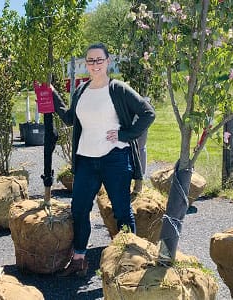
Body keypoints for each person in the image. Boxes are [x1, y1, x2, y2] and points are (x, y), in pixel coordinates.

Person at [52, 43, 155, 277]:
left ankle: (129, 261)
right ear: (85, 64)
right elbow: (70, 119)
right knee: (79, 209)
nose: (95, 64)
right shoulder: (81, 90)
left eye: (99, 60)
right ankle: (79, 259)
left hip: (114, 159)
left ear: (108, 61)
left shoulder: (117, 88)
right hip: (86, 160)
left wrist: (124, 135)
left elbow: (148, 113)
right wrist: (52, 96)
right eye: (90, 60)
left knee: (121, 211)